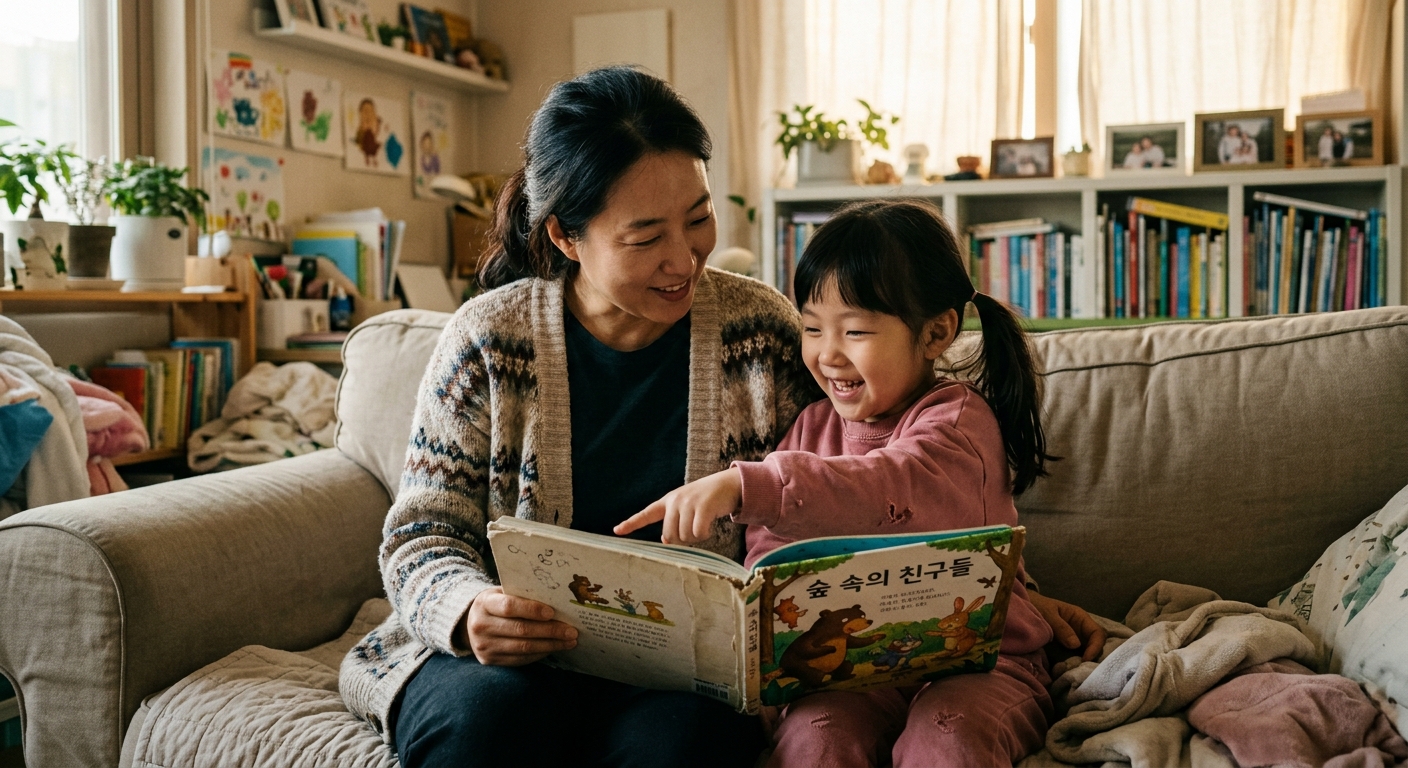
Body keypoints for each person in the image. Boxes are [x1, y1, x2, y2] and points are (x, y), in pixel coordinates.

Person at [339, 66, 1106, 768]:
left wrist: (1008, 589)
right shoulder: (485, 341)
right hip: (502, 658)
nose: (687, 257)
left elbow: (875, 478)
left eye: (697, 218)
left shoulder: (762, 334)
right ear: (566, 237)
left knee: (687, 749)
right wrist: (467, 609)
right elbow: (422, 532)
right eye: (646, 238)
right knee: (487, 729)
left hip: (675, 673)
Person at [617, 199, 1079, 767]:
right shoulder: (810, 427)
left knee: (946, 737)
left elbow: (893, 486)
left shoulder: (956, 420)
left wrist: (750, 486)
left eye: (856, 330)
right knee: (819, 737)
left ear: (937, 332)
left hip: (981, 664)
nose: (827, 353)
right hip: (849, 669)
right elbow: (771, 556)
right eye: (812, 328)